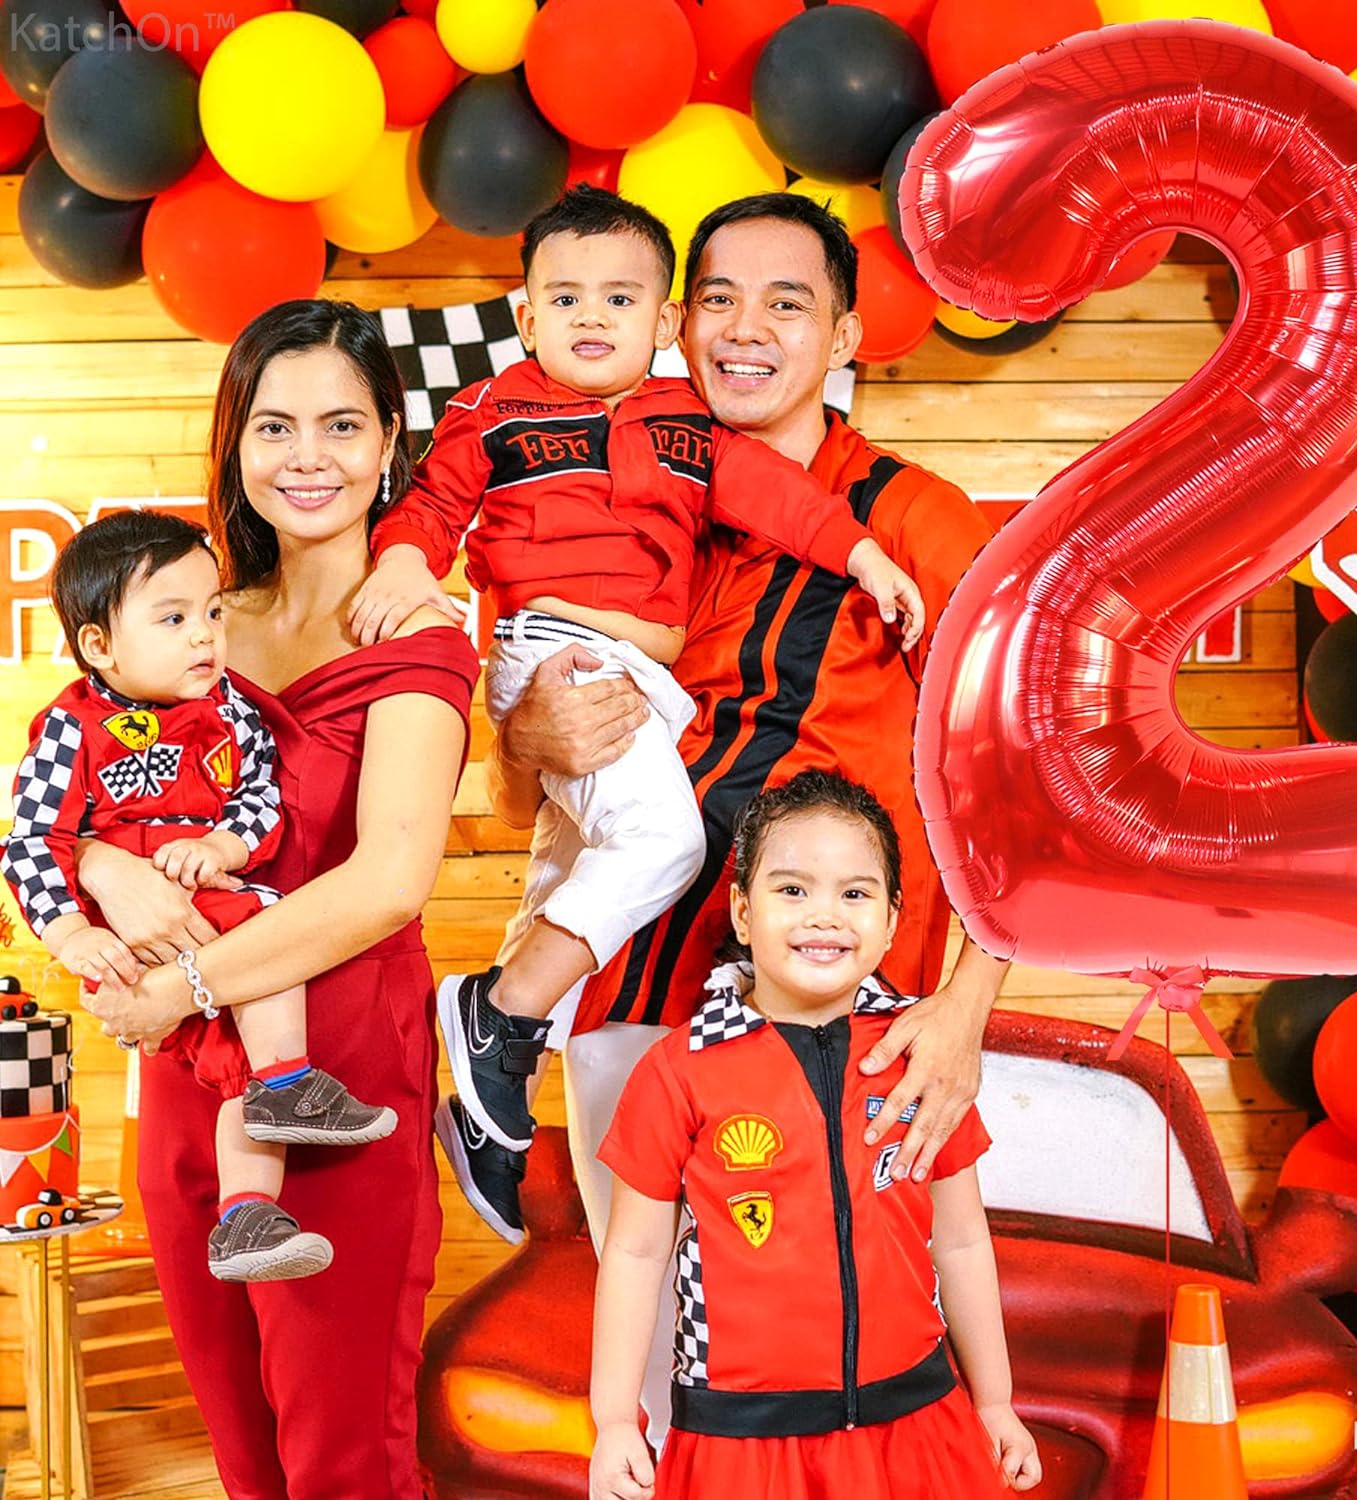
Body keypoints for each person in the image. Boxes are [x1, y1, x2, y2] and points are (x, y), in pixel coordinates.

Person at [347, 185, 924, 1241]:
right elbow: (431, 505)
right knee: (661, 841)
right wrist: (399, 561)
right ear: (526, 317)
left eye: (619, 299)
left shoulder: (690, 430)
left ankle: (489, 1101)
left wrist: (863, 555)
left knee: (574, 867)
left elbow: (780, 499)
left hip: (662, 725)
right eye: (565, 298)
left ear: (658, 321)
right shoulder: (495, 412)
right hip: (555, 648)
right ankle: (499, 1014)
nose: (591, 317)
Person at [72, 300, 479, 1500]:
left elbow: (387, 881)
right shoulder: (190, 630)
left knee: (341, 1453)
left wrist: (183, 985)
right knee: (241, 1444)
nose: (308, 457)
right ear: (237, 441)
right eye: (275, 425)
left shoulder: (421, 638)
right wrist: (97, 869)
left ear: (390, 438)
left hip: (336, 1077)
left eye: (342, 425)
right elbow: (78, 796)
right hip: (185, 1071)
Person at [589, 771, 1042, 1500]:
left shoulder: (921, 1058)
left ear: (892, 921)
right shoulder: (679, 1069)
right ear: (743, 911)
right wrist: (615, 1420)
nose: (824, 916)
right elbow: (636, 1253)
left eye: (855, 893)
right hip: (741, 1440)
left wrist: (994, 1401)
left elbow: (960, 1240)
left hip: (915, 1420)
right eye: (793, 890)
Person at [3, 510, 396, 1284]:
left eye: (213, 612)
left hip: (207, 901)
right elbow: (31, 839)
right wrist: (71, 934)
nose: (204, 637)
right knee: (265, 940)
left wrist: (222, 847)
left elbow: (260, 802)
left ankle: (246, 1213)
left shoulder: (232, 713)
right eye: (174, 619)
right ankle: (289, 1084)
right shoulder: (71, 728)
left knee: (244, 1052)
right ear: (99, 646)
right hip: (127, 939)